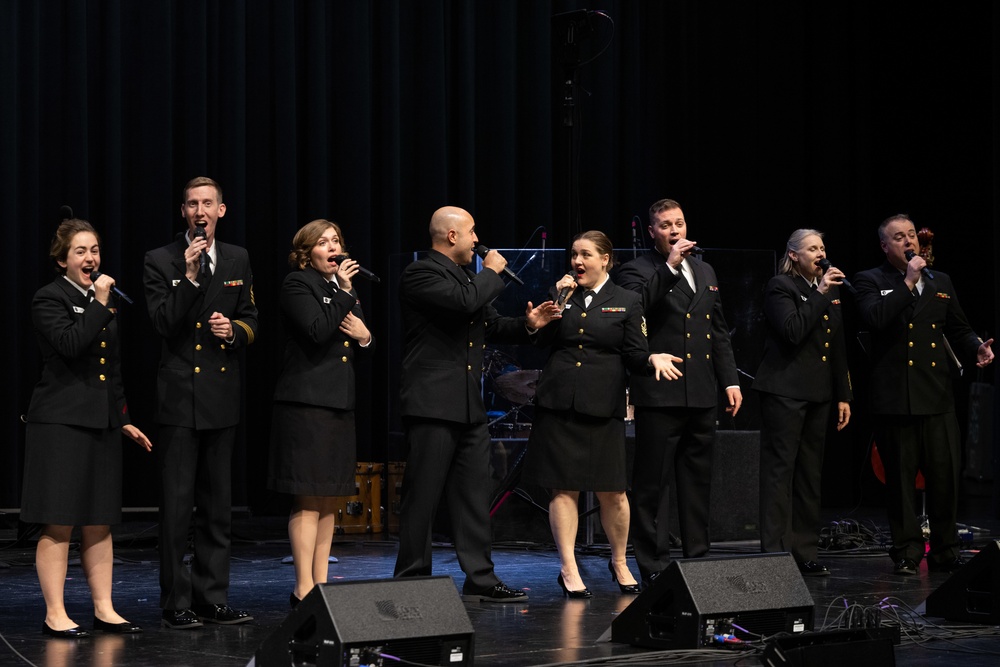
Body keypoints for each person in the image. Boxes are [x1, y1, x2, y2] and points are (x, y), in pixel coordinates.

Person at [394, 206, 560, 602]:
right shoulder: (421, 273)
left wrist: (529, 324)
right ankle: (413, 578)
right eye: (472, 232)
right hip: (432, 402)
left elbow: (490, 323)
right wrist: (493, 271)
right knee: (424, 494)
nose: (477, 240)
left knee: (473, 493)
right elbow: (464, 303)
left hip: (467, 404)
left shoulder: (468, 278)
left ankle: (481, 577)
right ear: (451, 236)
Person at [523, 231, 683, 598]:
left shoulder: (626, 300)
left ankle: (620, 560)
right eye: (574, 255)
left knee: (613, 492)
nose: (577, 262)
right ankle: (568, 567)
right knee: (564, 490)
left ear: (605, 260)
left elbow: (634, 352)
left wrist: (651, 359)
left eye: (586, 255)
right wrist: (537, 322)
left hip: (602, 404)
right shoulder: (560, 295)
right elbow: (539, 342)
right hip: (559, 404)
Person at [22, 218, 152, 638]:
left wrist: (125, 419)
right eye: (80, 251)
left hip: (101, 421)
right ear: (62, 260)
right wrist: (98, 303)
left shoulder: (105, 303)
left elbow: (110, 370)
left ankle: (104, 607)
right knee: (59, 520)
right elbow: (71, 345)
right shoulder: (49, 297)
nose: (90, 258)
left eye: (94, 250)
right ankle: (55, 612)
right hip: (59, 422)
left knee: (99, 520)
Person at [143, 177, 259, 628]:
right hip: (178, 398)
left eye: (207, 203)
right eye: (192, 204)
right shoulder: (161, 260)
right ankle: (176, 603)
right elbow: (163, 323)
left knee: (217, 507)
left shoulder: (238, 258)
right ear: (184, 212)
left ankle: (213, 597)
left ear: (221, 210)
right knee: (176, 508)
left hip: (221, 395)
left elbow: (251, 317)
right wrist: (188, 278)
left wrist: (234, 332)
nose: (200, 211)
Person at [853, 214, 993, 575]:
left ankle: (945, 549)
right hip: (895, 399)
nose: (908, 241)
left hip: (937, 397)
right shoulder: (870, 280)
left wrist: (976, 346)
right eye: (898, 237)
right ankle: (907, 550)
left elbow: (959, 328)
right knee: (899, 482)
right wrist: (908, 281)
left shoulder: (940, 280)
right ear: (886, 246)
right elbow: (875, 319)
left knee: (944, 477)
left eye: (911, 235)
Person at [616, 198, 742, 587]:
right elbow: (635, 311)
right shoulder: (635, 271)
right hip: (659, 393)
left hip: (701, 390)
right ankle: (653, 565)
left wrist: (730, 379)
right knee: (652, 483)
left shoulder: (704, 269)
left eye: (680, 223)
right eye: (666, 225)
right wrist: (669, 267)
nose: (675, 230)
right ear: (652, 231)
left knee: (697, 481)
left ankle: (698, 561)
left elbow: (716, 330)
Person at [268, 220, 372, 608]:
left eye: (337, 241)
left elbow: (362, 340)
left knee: (329, 498)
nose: (333, 247)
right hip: (306, 403)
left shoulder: (342, 289)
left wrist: (365, 336)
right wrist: (345, 293)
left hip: (338, 402)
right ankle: (303, 587)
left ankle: (321, 584)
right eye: (324, 242)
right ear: (306, 252)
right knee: (308, 499)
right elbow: (317, 330)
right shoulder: (298, 284)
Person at [753, 229, 852, 576]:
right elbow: (793, 331)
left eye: (823, 247)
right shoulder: (781, 286)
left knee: (810, 474)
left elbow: (837, 346)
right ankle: (775, 553)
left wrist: (844, 395)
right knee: (781, 472)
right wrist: (822, 292)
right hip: (785, 391)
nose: (820, 253)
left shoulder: (828, 292)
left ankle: (804, 551)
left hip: (819, 394)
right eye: (812, 248)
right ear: (794, 255)